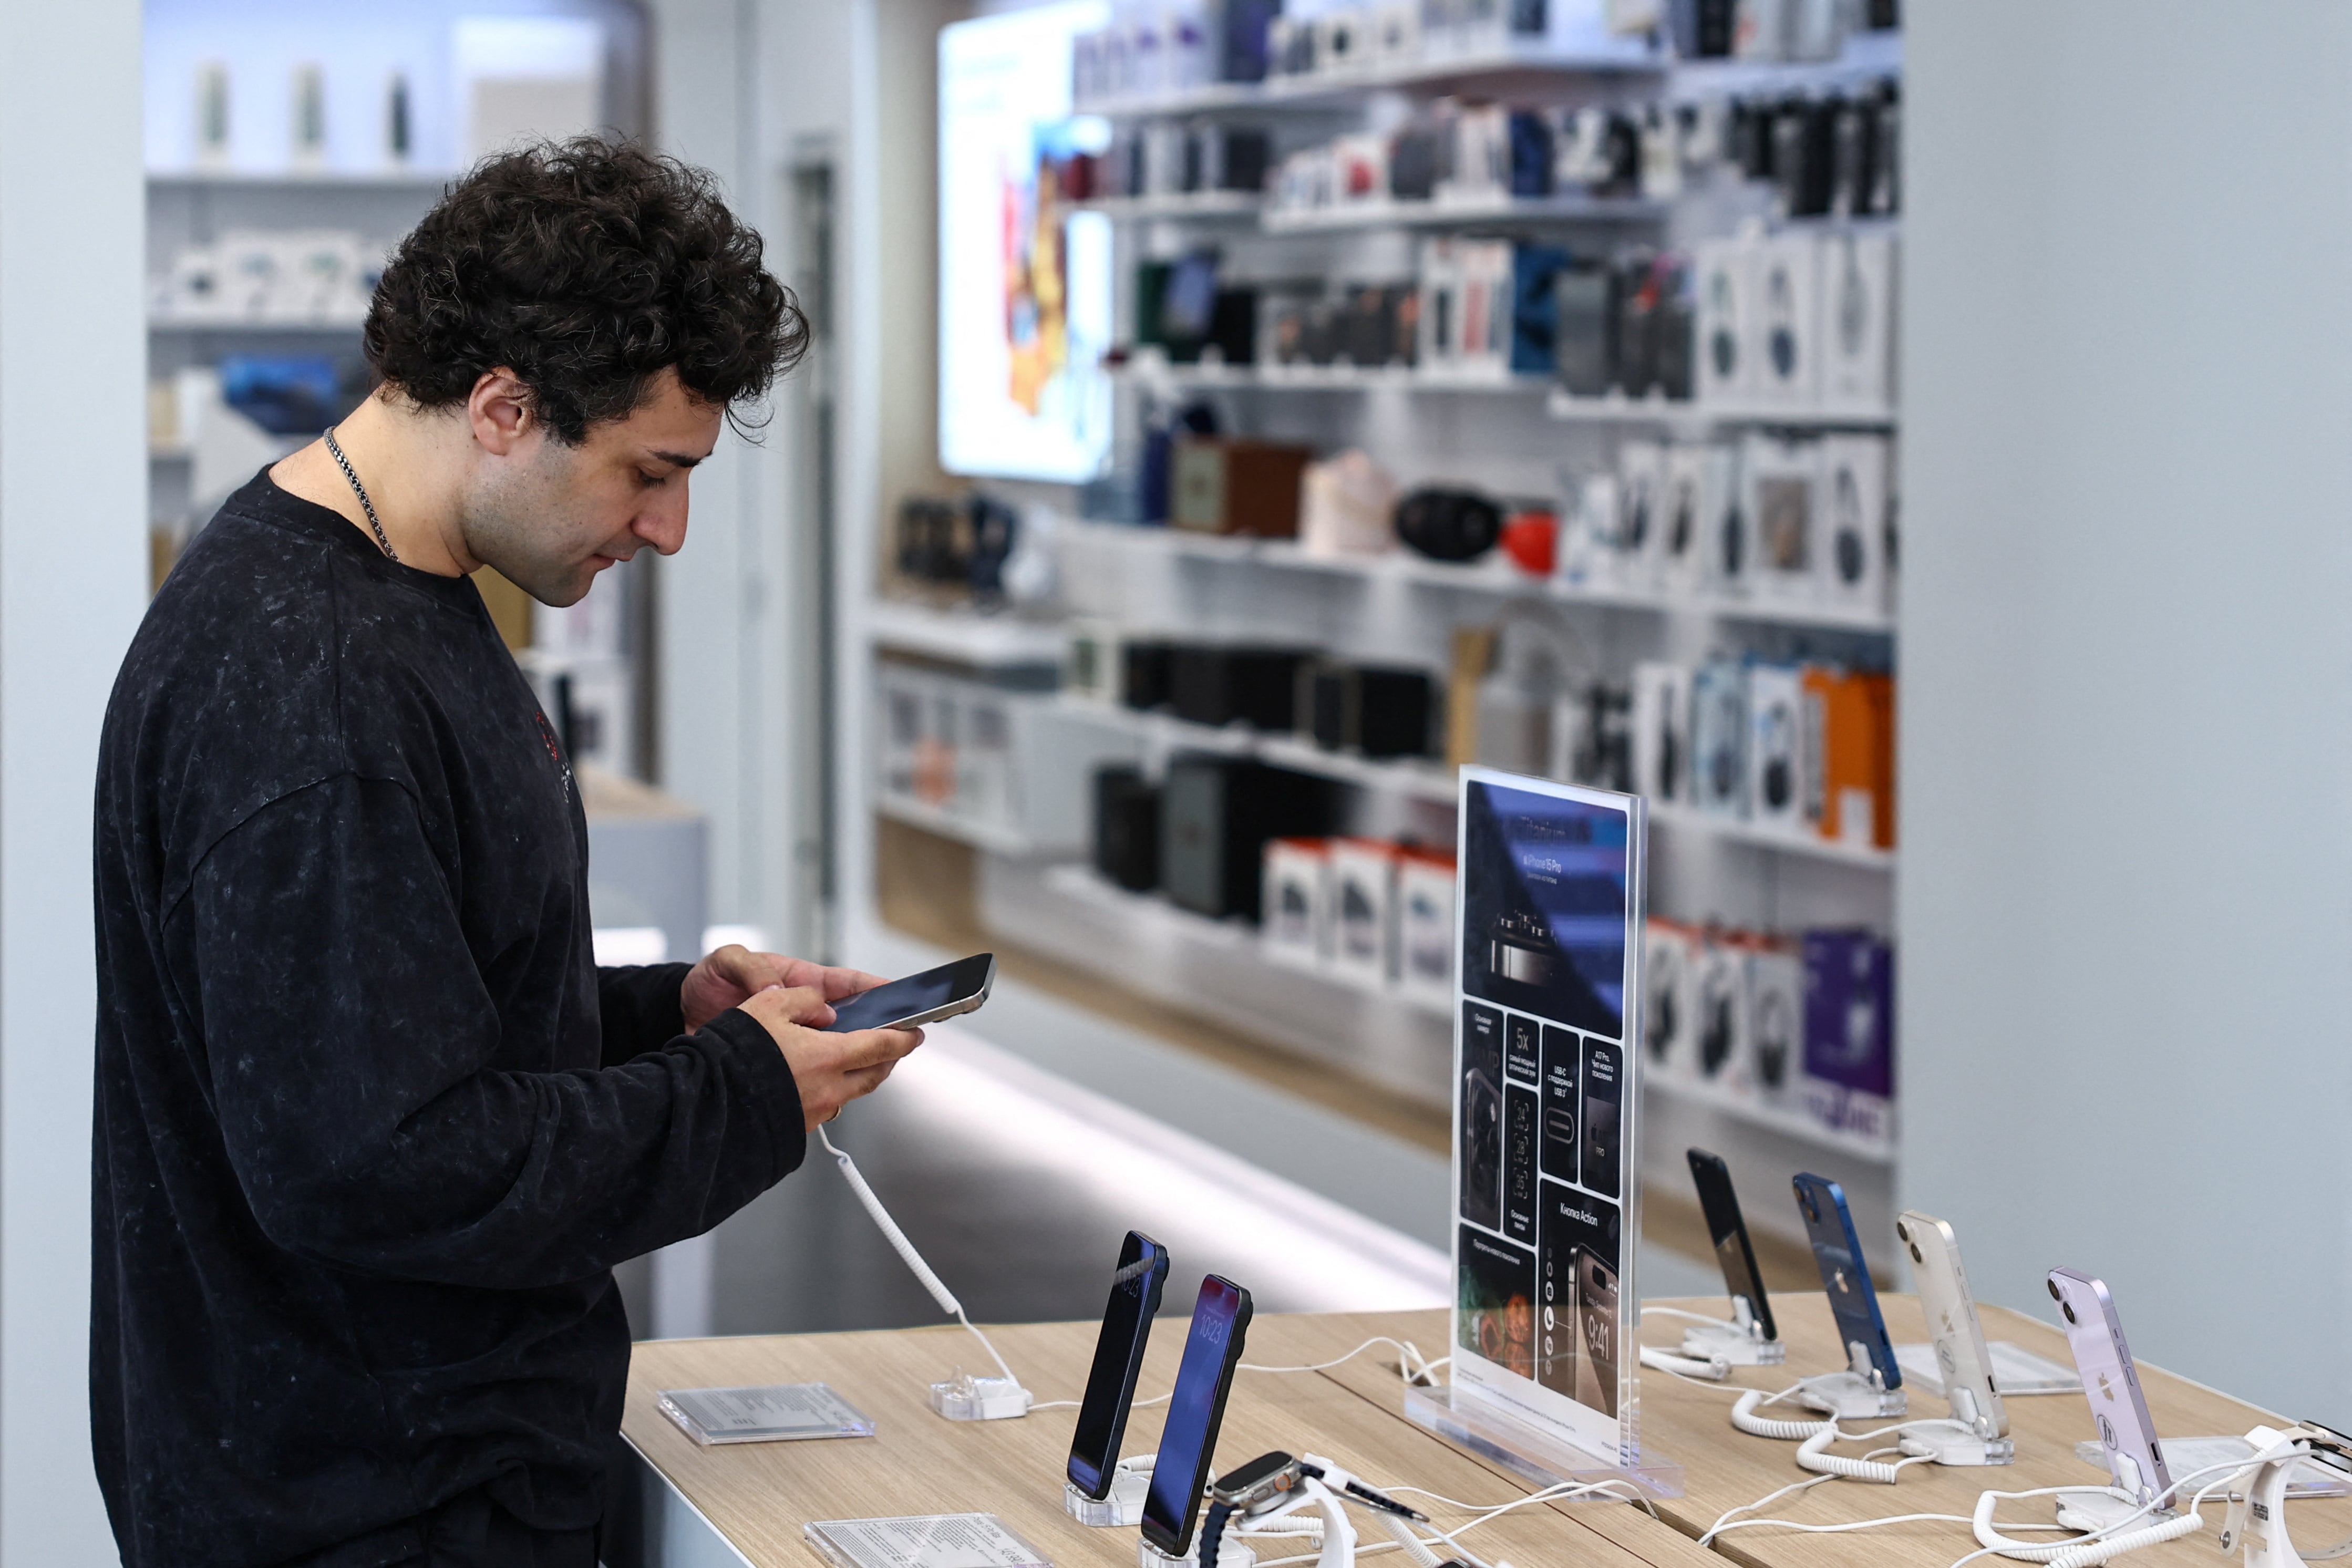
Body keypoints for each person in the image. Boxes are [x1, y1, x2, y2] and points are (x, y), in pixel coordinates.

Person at [90, 138, 919, 1567]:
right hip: (372, 1504)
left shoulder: (384, 585)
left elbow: (390, 1022)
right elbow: (375, 1162)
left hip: (393, 1464)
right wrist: (734, 1101)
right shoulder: (319, 690)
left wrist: (667, 1018)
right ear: (500, 407)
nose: (666, 529)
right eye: (647, 473)